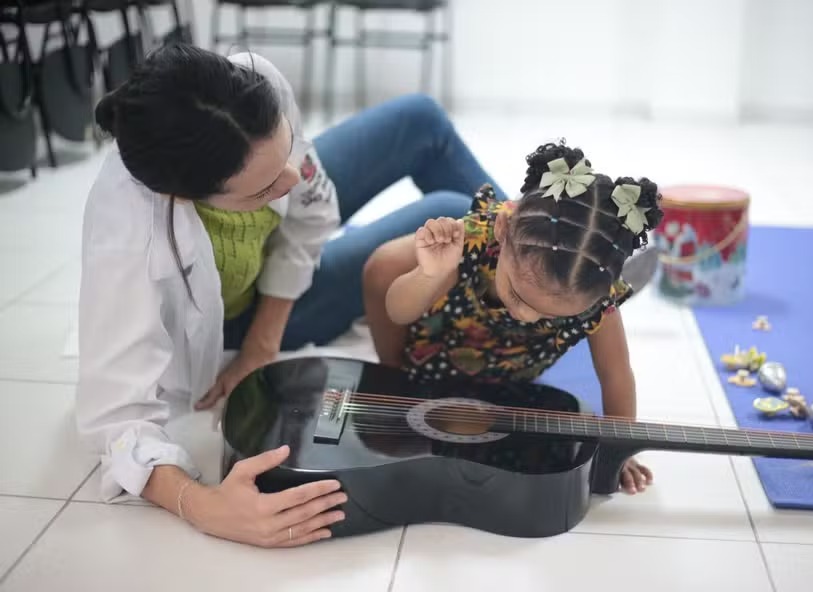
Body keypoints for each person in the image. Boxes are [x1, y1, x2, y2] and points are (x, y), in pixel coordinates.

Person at [75, 43, 504, 548]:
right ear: (185, 195)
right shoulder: (130, 231)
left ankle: (544, 257)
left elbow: (309, 203)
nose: (291, 181)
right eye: (260, 192)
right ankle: (523, 276)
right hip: (236, 317)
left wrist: (265, 343)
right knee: (456, 210)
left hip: (272, 278)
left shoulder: (253, 81)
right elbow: (117, 418)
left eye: (287, 150)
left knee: (420, 118)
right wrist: (203, 506)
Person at [363, 140, 664, 494]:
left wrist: (620, 451)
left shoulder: (597, 300)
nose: (526, 316)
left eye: (548, 314)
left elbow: (616, 375)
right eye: (519, 296)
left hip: (510, 382)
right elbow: (398, 312)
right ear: (503, 229)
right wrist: (430, 274)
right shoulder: (471, 242)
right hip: (429, 361)